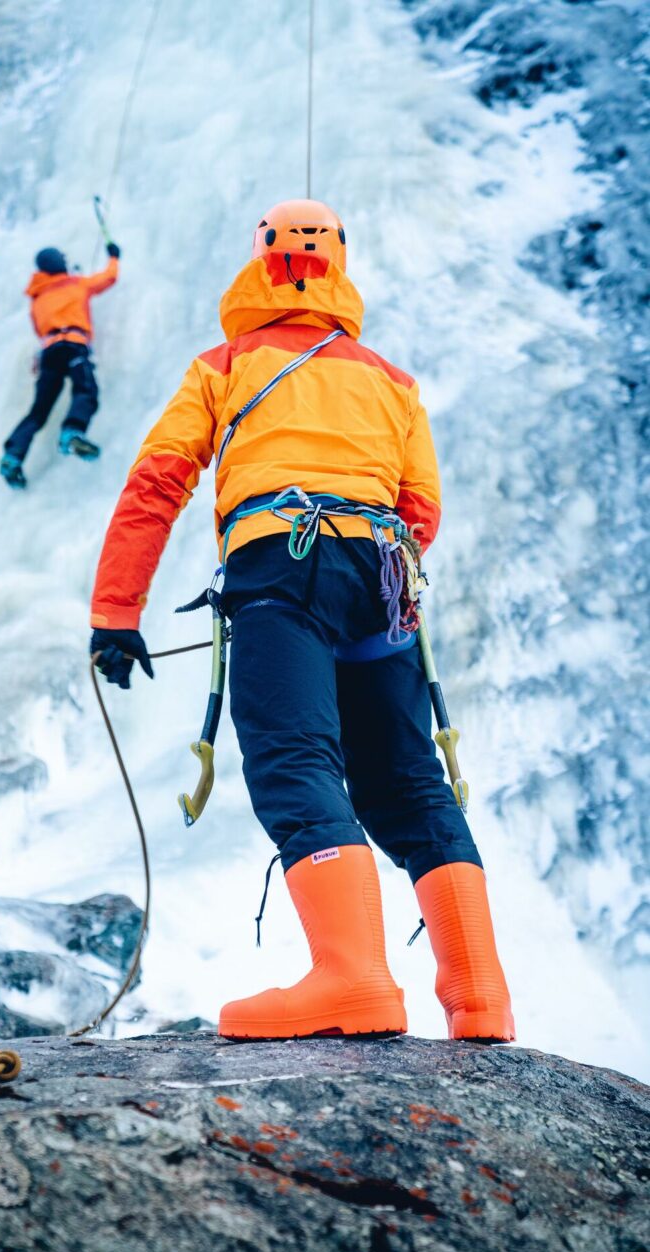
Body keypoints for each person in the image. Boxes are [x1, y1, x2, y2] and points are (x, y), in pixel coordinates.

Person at [88, 199, 515, 1043]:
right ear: (337, 270)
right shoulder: (391, 380)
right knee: (404, 778)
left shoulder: (225, 364)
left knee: (293, 756)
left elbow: (157, 484)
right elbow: (421, 506)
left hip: (280, 564)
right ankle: (479, 999)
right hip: (381, 572)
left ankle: (352, 980)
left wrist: (116, 612)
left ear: (263, 262)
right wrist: (372, 570)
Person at [0, 242, 120, 488]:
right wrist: (114, 257)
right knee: (86, 390)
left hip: (49, 352)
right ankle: (72, 433)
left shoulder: (37, 298)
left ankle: (12, 455)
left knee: (39, 411)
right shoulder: (76, 283)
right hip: (73, 345)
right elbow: (109, 278)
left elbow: (38, 329)